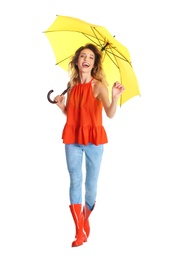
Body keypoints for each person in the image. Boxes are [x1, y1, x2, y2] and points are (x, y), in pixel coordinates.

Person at [54, 43, 125, 247]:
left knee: (90, 186)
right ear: (77, 61)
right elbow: (72, 115)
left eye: (91, 58)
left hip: (94, 141)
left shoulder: (98, 86)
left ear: (94, 64)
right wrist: (62, 107)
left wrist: (115, 97)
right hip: (73, 139)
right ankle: (78, 232)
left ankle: (85, 218)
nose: (86, 59)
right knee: (75, 181)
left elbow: (110, 114)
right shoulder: (72, 85)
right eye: (83, 56)